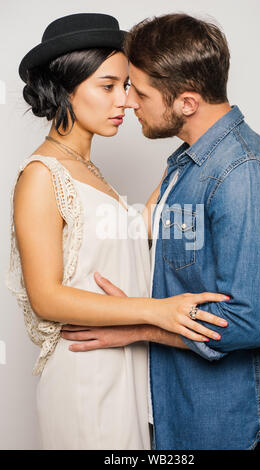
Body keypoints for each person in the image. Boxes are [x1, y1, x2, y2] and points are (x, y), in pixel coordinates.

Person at [62, 14, 260, 450]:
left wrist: (140, 326)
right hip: (180, 416)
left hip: (232, 428)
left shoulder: (244, 175)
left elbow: (248, 323)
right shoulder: (187, 163)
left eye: (141, 91)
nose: (130, 102)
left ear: (186, 103)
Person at [5, 13, 229, 450]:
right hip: (85, 375)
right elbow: (45, 296)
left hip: (123, 366)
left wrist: (184, 164)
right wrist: (156, 312)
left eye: (126, 86)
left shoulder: (89, 171)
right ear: (66, 88)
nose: (125, 101)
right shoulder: (41, 174)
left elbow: (126, 237)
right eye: (108, 86)